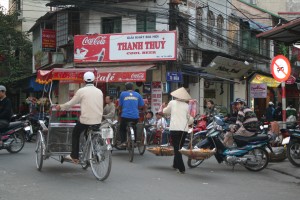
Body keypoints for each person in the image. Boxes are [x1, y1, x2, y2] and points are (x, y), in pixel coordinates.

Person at [56, 72, 103, 164]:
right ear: (94, 80)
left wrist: (61, 107)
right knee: (88, 133)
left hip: (86, 120)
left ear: (84, 80)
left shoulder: (81, 91)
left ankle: (74, 156)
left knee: (76, 133)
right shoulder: (99, 91)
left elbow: (71, 104)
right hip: (98, 120)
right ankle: (92, 151)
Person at [162, 87, 194, 174]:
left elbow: (165, 111)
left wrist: (164, 107)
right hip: (184, 130)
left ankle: (181, 168)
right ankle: (175, 164)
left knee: (177, 148)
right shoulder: (187, 106)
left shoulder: (172, 103)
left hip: (175, 129)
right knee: (179, 147)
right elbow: (191, 120)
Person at [118, 82, 145, 147]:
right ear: (133, 88)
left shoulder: (123, 94)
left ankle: (123, 142)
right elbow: (142, 105)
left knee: (122, 128)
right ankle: (135, 142)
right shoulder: (137, 94)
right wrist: (136, 108)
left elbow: (120, 105)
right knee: (134, 127)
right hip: (135, 117)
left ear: (125, 88)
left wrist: (120, 110)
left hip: (125, 116)